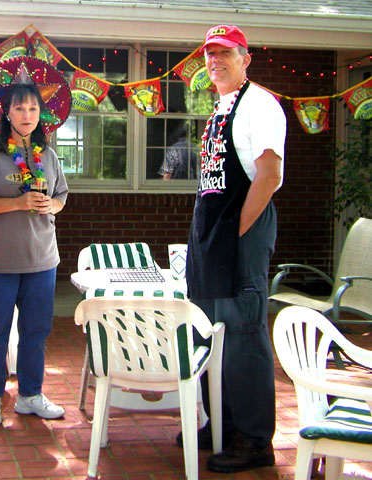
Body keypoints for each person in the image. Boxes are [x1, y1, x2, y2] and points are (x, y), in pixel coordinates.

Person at [182, 25, 286, 473]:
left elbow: (269, 174)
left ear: (245, 58)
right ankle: (222, 423)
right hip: (214, 233)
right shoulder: (221, 106)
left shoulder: (260, 103)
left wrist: (237, 233)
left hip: (240, 232)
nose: (215, 60)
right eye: (210, 53)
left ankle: (254, 438)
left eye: (225, 53)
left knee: (243, 335)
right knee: (211, 332)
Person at [0, 56, 71, 425]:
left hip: (41, 260)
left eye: (33, 107)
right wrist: (17, 203)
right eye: (19, 107)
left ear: (40, 113)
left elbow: (61, 197)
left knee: (35, 331)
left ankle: (30, 394)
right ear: (7, 113)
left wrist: (51, 205)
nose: (27, 113)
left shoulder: (49, 156)